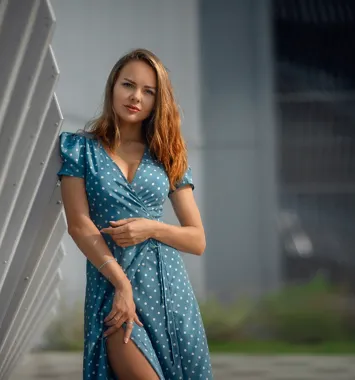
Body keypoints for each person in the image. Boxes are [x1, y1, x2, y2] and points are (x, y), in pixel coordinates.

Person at [57, 48, 213, 380]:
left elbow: (197, 239)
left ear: (158, 101)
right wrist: (122, 285)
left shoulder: (168, 155)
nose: (136, 97)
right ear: (113, 86)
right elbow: (79, 225)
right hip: (114, 287)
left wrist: (151, 228)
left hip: (171, 293)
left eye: (149, 91)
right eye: (128, 85)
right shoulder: (79, 148)